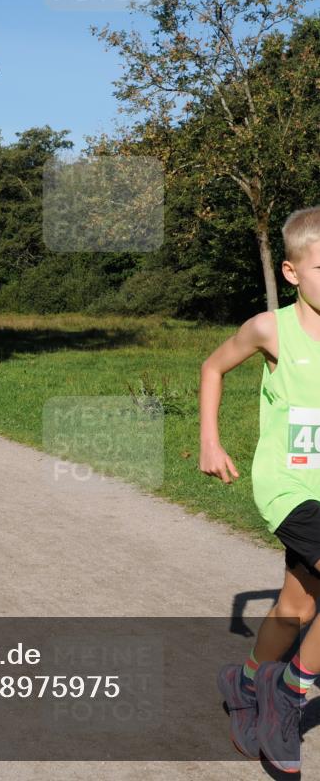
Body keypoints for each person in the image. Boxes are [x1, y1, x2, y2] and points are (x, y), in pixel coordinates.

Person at [200, 207, 320, 772]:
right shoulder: (271, 328)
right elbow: (213, 367)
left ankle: (247, 683)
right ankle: (289, 695)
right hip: (288, 485)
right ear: (293, 272)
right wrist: (210, 441)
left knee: (298, 603)